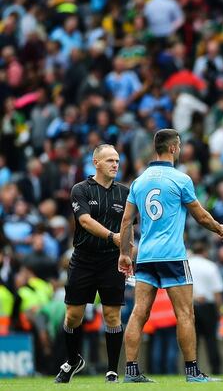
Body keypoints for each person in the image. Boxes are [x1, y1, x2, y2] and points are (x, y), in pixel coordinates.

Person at [118, 129, 223, 383]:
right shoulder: (181, 179)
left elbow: (126, 221)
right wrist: (220, 229)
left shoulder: (139, 181)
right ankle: (192, 372)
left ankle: (132, 371)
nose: (179, 149)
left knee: (139, 313)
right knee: (185, 313)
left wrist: (125, 254)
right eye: (178, 146)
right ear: (172, 148)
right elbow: (200, 216)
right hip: (172, 255)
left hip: (145, 256)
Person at [55, 144, 128, 384]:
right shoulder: (80, 189)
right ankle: (73, 359)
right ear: (96, 162)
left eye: (117, 160)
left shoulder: (125, 193)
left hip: (111, 260)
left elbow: (130, 227)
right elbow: (85, 221)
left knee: (112, 315)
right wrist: (112, 236)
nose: (115, 164)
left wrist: (127, 250)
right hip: (84, 258)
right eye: (109, 160)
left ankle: (111, 371)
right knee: (73, 316)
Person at [187, 242, 223, 375]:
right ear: (204, 251)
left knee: (193, 340)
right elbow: (217, 291)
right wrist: (220, 310)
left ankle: (191, 369)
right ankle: (216, 369)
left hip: (190, 305)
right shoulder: (211, 266)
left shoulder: (187, 264)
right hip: (208, 307)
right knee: (211, 341)